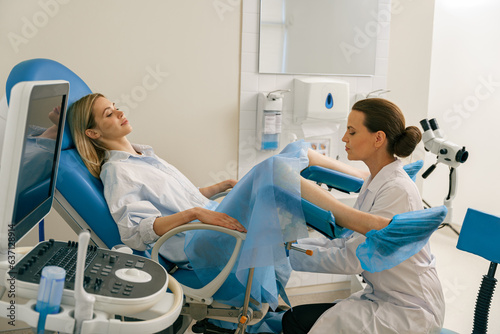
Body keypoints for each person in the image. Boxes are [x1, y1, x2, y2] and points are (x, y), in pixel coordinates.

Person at [281, 98, 445, 334]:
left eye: (352, 132)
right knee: (296, 318)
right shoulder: (376, 181)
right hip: (385, 296)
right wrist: (290, 245)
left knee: (295, 321)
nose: (344, 139)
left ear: (378, 138)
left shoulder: (397, 190)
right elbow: (345, 240)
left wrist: (287, 252)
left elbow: (351, 258)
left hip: (409, 310)